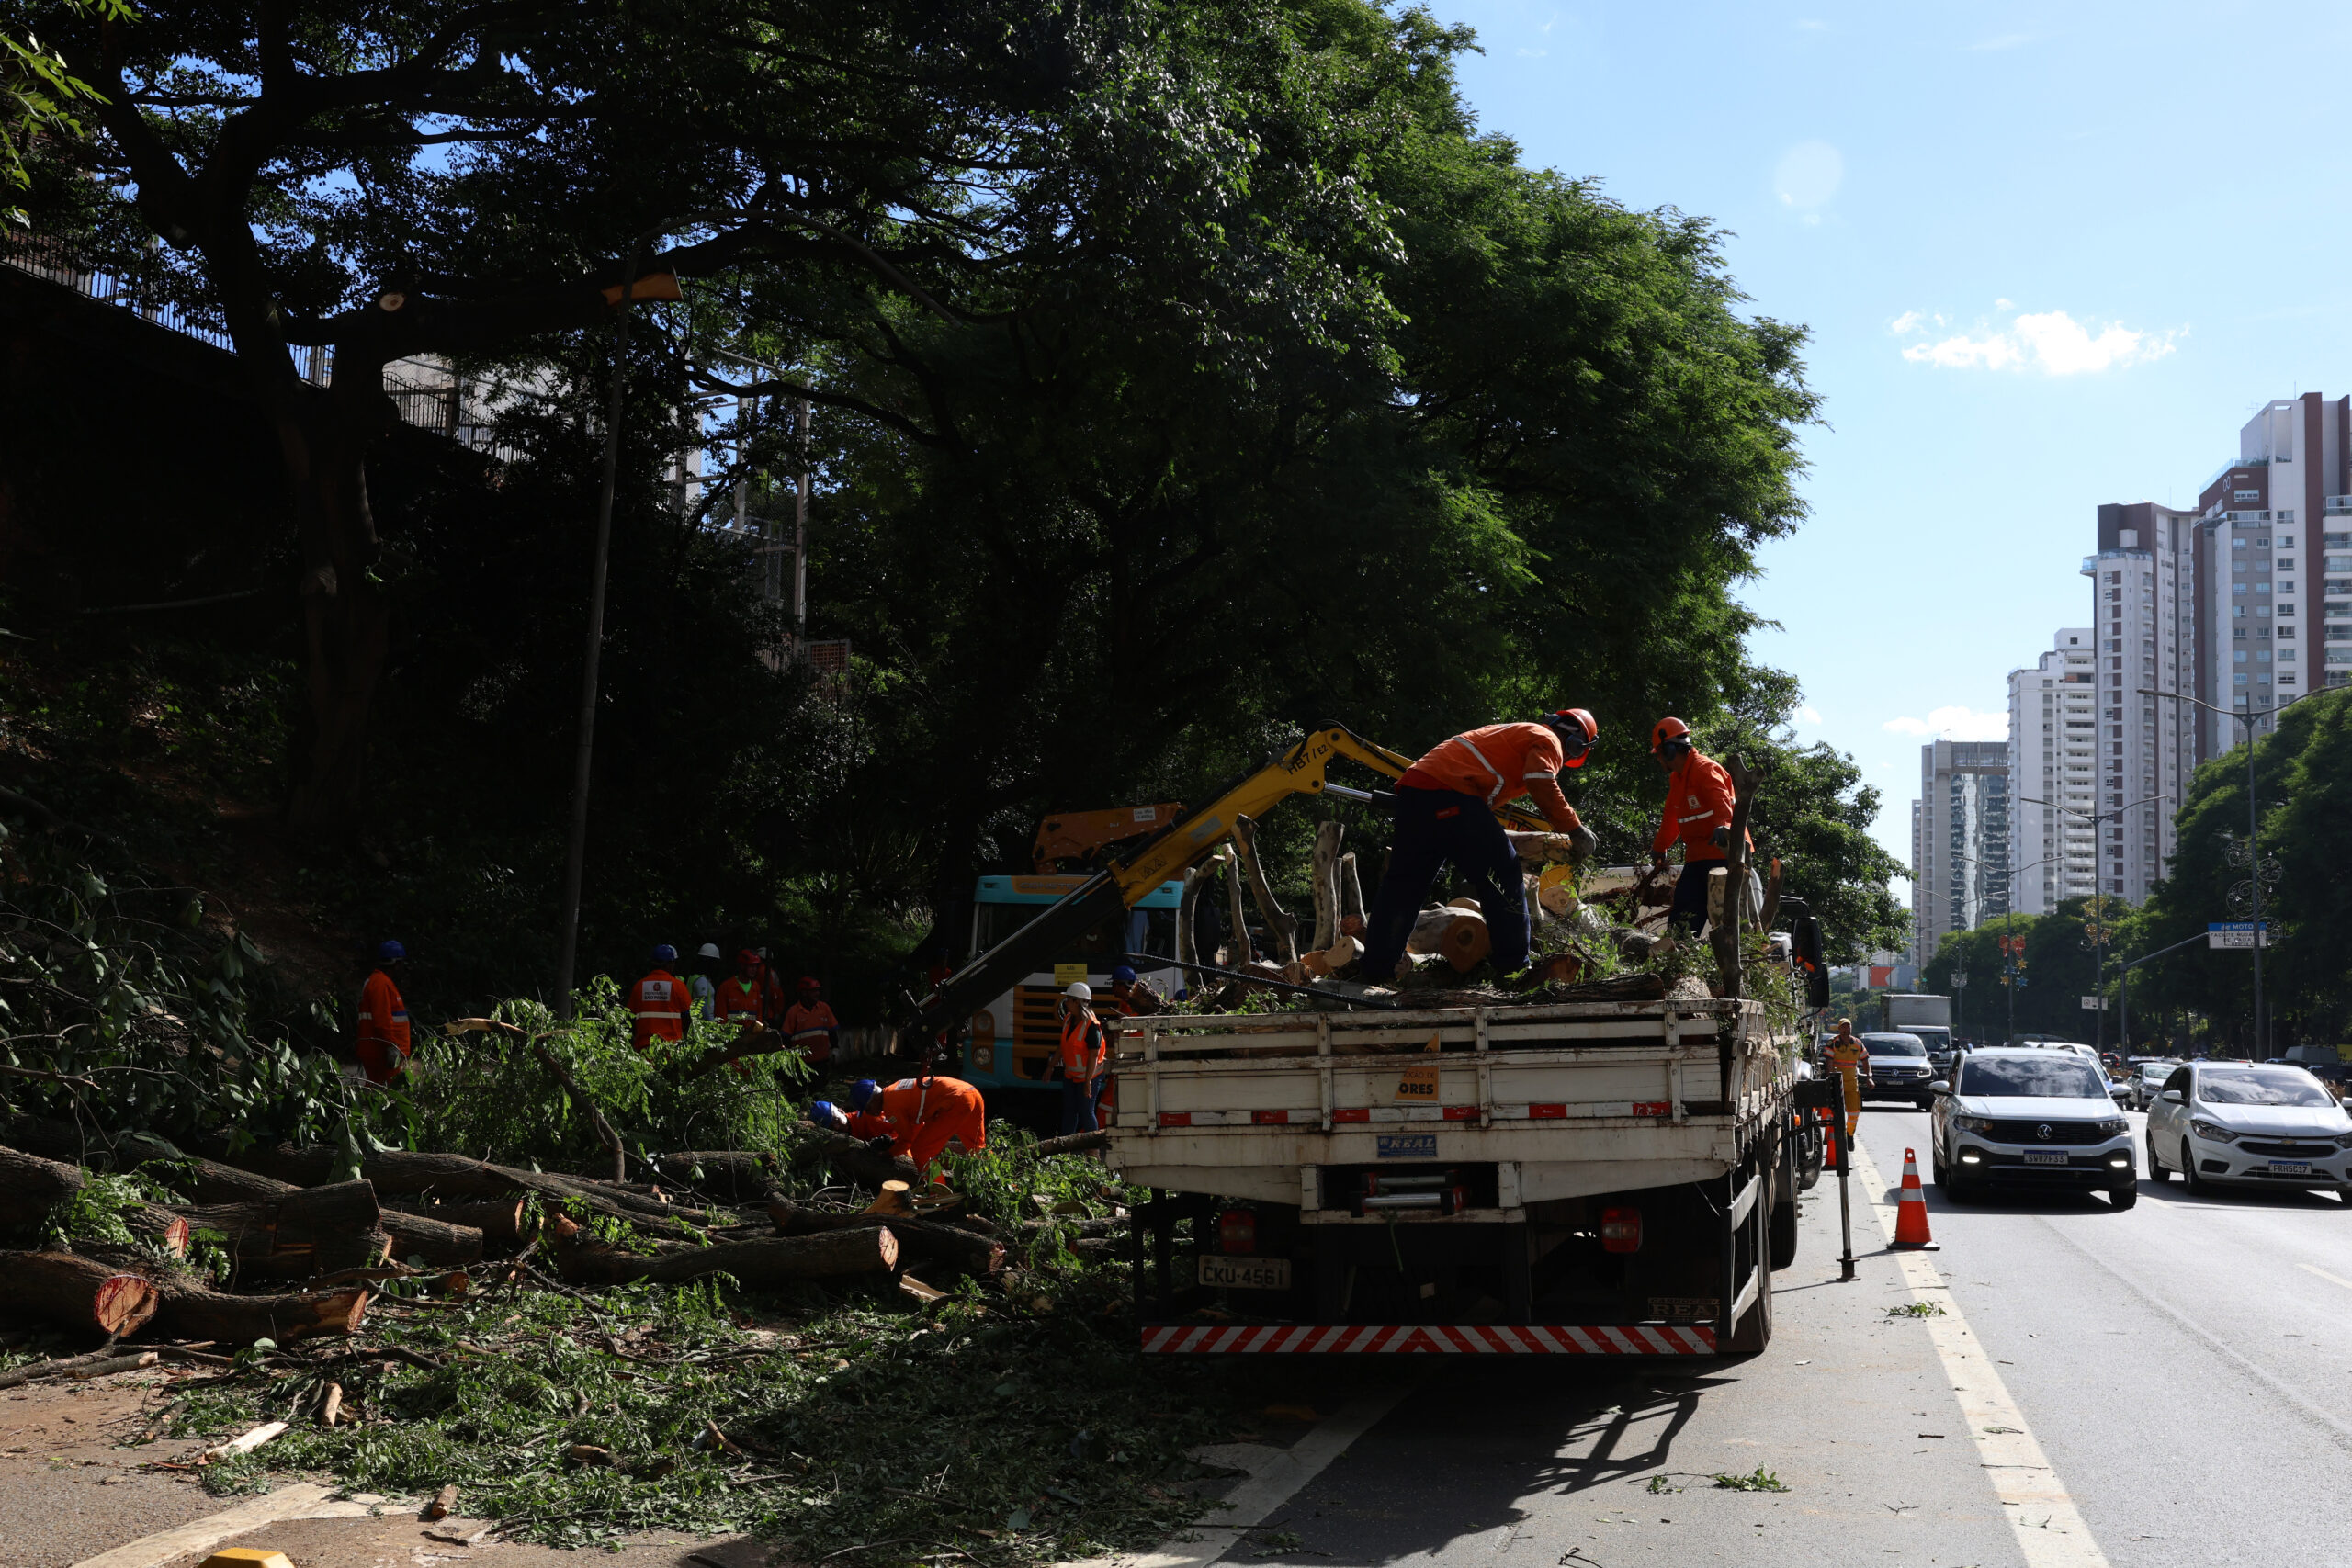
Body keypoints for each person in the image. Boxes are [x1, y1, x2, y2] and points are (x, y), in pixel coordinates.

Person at [1361, 711, 1601, 984]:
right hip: (1451, 791)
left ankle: (1375, 971)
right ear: (1576, 744)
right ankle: (1515, 972)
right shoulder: (1547, 739)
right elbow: (1540, 779)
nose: (1566, 759)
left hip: (1416, 789)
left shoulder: (1512, 734)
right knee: (1504, 874)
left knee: (1403, 886)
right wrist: (1575, 828)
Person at [1648, 717, 1748, 940]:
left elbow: (1722, 804)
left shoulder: (1705, 769)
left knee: (1728, 923)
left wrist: (1724, 827)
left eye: (1659, 754)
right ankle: (1676, 961)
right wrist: (1659, 847)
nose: (1659, 760)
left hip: (1724, 855)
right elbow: (1672, 818)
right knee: (1683, 919)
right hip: (1697, 857)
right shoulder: (1678, 779)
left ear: (1670, 750)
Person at [849, 1074, 988, 1181]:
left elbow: (907, 1139)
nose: (869, 1114)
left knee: (921, 1151)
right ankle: (997, 1182)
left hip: (956, 1101)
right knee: (977, 1147)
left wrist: (888, 1154)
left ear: (873, 1102)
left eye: (867, 1110)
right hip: (971, 1092)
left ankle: (938, 1193)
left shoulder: (891, 1107)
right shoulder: (894, 1089)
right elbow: (917, 1127)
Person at [1057, 981, 1114, 1135]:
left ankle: (1093, 1153)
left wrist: (1088, 1082)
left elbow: (1094, 1055)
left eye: (1068, 999)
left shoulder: (1091, 1025)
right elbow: (1063, 1044)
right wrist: (1050, 1067)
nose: (1066, 1002)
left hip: (1089, 1076)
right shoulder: (1069, 1019)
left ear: (1077, 1002)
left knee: (1086, 1112)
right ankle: (1065, 1150)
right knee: (1069, 1112)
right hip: (1071, 1075)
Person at [356, 940, 413, 1086]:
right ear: (395, 963)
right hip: (381, 1050)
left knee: (377, 1088)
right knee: (388, 1092)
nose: (403, 968)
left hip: (379, 1048)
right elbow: (382, 1020)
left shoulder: (379, 982)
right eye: (401, 963)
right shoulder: (381, 984)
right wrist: (391, 1047)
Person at [626, 945, 693, 1051]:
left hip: (644, 1048)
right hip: (671, 1048)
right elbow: (689, 1018)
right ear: (669, 964)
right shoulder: (678, 986)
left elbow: (630, 1018)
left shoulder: (639, 986)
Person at [1822, 1017, 1871, 1144]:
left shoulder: (1857, 1043)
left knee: (1854, 1112)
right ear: (1839, 1029)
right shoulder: (1832, 1043)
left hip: (1851, 1083)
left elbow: (1865, 1061)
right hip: (1836, 1082)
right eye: (1843, 1027)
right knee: (1833, 1111)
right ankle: (1829, 1137)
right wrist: (1829, 1079)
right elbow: (1829, 1062)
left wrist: (1869, 1077)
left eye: (1848, 1026)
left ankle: (1849, 1135)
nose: (1846, 1029)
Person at [779, 976, 840, 1063]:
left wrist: (835, 1048)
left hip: (822, 1061)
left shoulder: (824, 1008)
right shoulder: (794, 1012)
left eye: (818, 990)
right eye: (813, 991)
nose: (817, 994)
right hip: (802, 1063)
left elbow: (832, 1031)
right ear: (804, 993)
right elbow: (785, 1038)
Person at [715, 949, 777, 1031]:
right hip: (732, 1038)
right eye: (751, 966)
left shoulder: (756, 987)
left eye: (756, 966)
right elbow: (720, 1018)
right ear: (742, 966)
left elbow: (758, 1016)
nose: (754, 969)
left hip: (750, 1039)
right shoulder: (726, 987)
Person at [688, 942, 724, 1021]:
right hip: (703, 1024)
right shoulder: (701, 980)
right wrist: (710, 1025)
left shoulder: (696, 978)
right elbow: (702, 1006)